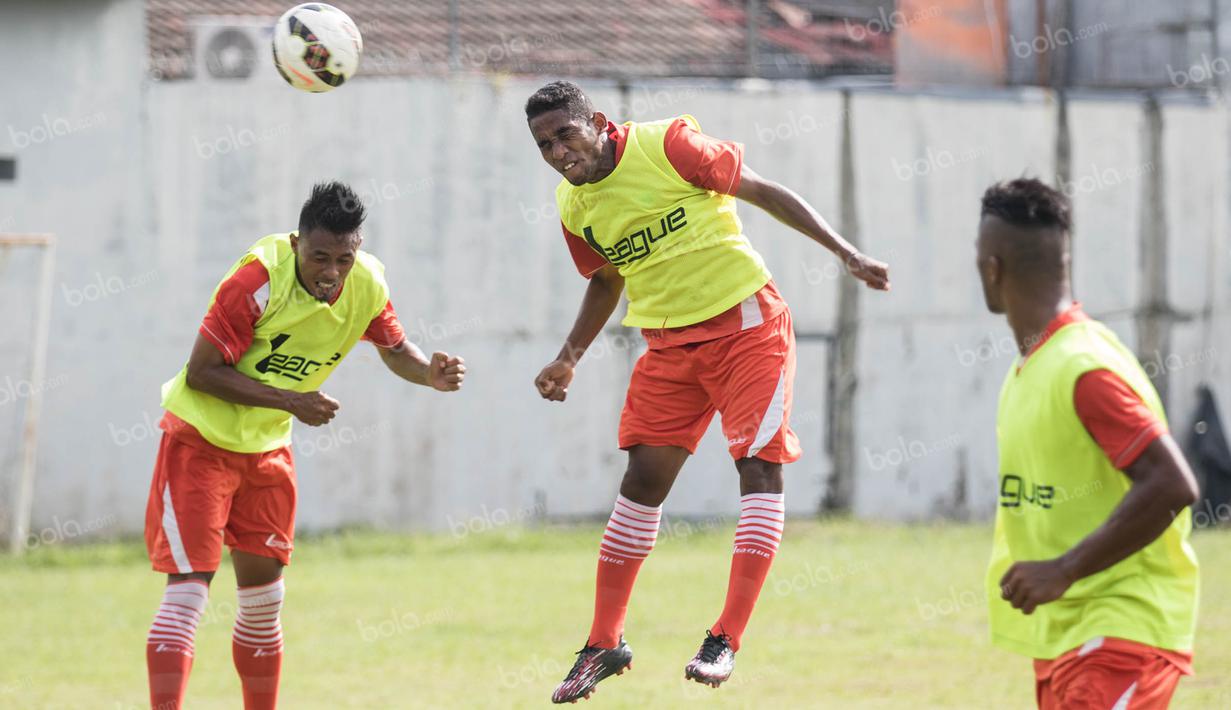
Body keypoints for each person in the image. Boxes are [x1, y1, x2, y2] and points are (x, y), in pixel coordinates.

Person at [524, 80, 890, 703]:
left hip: (748, 326)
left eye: (565, 133)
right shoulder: (574, 206)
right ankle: (604, 643)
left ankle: (725, 637)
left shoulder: (669, 145)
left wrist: (845, 253)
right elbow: (607, 280)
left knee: (758, 466)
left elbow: (766, 192)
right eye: (544, 143)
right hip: (668, 346)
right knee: (641, 483)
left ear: (598, 122)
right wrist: (569, 357)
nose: (558, 151)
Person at [142, 182, 466, 709]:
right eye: (320, 256)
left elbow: (395, 347)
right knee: (188, 594)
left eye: (344, 257)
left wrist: (427, 372)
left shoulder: (367, 283)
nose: (331, 271)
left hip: (267, 452)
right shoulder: (257, 280)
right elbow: (202, 372)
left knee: (265, 603)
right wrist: (291, 402)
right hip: (199, 444)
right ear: (297, 243)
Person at [977, 178, 1199, 709]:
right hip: (1068, 636)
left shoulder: (1083, 367)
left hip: (1119, 631)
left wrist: (1064, 569)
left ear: (992, 268)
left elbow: (1173, 483)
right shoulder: (1032, 365)